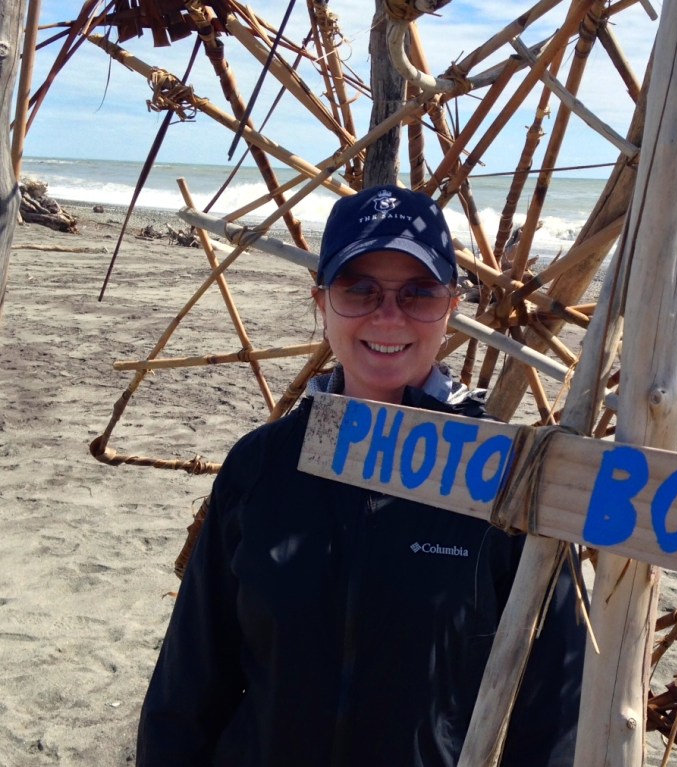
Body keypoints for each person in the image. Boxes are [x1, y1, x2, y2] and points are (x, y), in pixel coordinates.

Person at [136, 185, 586, 766]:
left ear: (451, 307)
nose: (389, 315)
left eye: (419, 292)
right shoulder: (262, 464)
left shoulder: (505, 480)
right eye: (360, 289)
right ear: (321, 303)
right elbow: (190, 681)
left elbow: (555, 713)